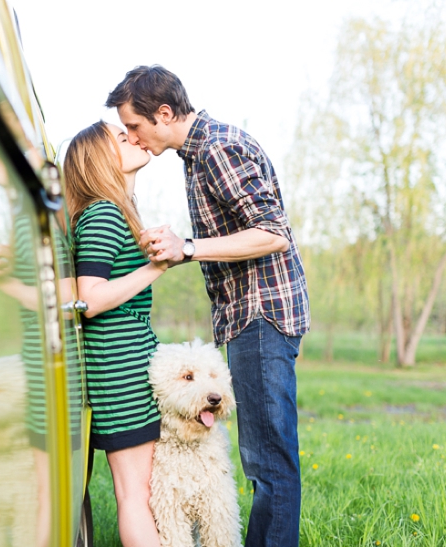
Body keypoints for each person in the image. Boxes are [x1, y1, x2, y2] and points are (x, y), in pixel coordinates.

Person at [106, 65, 310, 547]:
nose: (132, 137)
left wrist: (190, 247)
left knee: (268, 459)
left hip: (261, 313)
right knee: (262, 455)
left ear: (163, 113)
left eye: (134, 126)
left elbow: (273, 234)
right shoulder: (197, 155)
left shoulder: (218, 148)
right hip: (245, 316)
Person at [63, 121, 166, 547]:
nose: (133, 138)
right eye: (121, 138)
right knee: (134, 495)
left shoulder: (112, 210)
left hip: (122, 365)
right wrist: (156, 267)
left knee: (139, 494)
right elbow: (90, 298)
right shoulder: (104, 213)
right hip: (119, 369)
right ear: (102, 159)